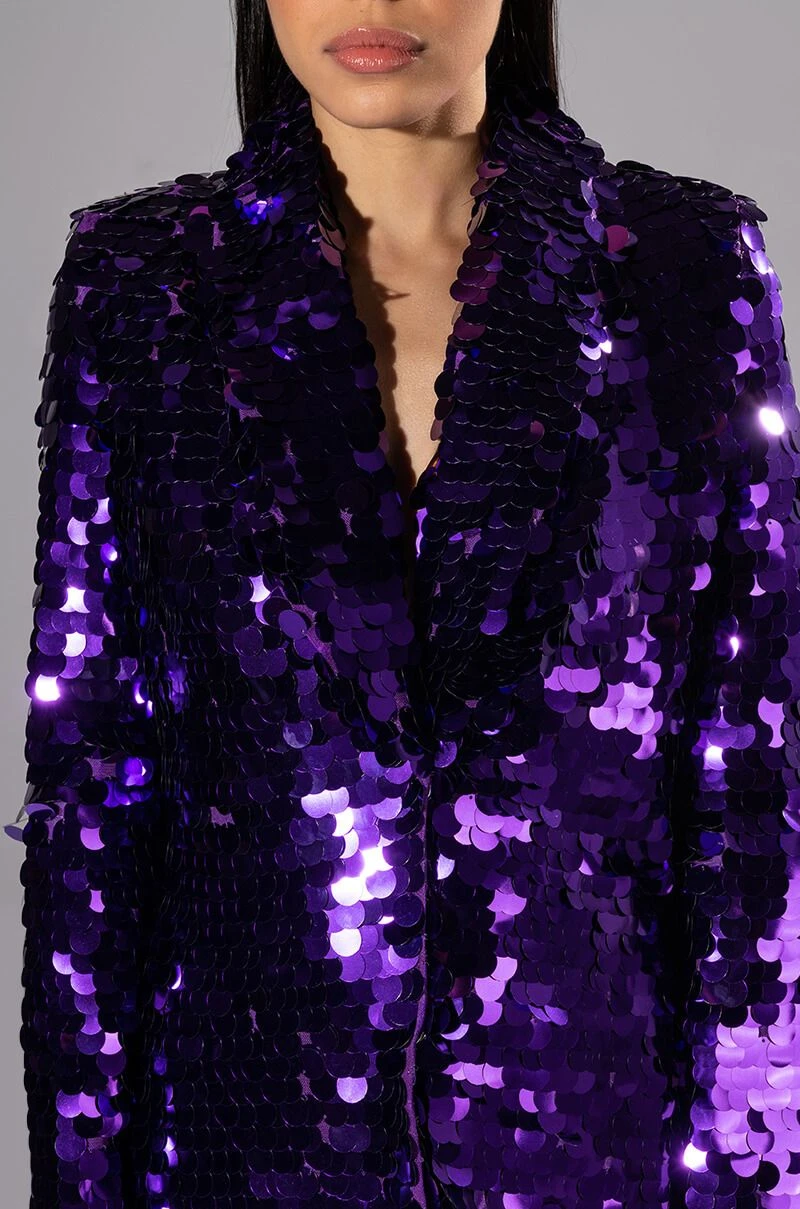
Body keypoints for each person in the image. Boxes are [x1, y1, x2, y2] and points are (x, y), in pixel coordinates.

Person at [7, 2, 800, 1206]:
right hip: (238, 1155)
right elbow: (94, 792)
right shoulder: (141, 284)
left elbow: (750, 790)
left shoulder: (686, 273)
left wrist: (751, 1182)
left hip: (590, 1159)